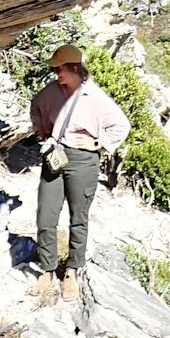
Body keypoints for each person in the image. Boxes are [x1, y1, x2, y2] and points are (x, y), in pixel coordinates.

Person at [29, 43, 130, 301]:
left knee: (78, 218)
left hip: (83, 160)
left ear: (74, 68)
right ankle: (48, 269)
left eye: (60, 69)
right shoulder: (51, 91)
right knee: (45, 215)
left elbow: (121, 126)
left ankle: (72, 271)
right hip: (55, 155)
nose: (56, 73)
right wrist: (43, 132)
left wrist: (98, 144)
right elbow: (36, 106)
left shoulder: (95, 97)